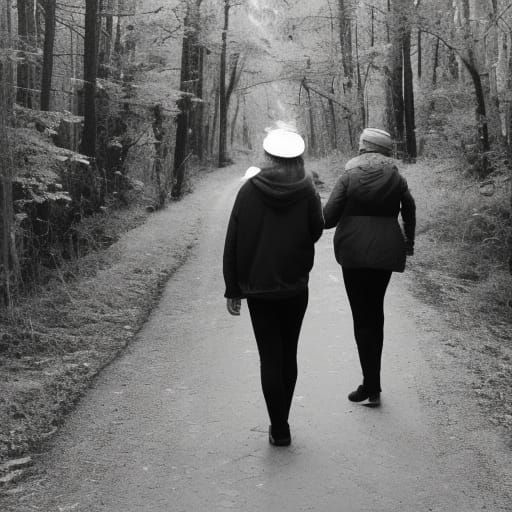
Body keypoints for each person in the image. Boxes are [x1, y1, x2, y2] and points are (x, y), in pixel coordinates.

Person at [223, 128, 324, 446]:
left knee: (270, 357)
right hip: (295, 285)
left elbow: (233, 239)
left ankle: (279, 428)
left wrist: (233, 288)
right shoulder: (307, 189)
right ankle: (283, 420)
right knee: (288, 353)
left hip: (259, 288)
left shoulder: (249, 189)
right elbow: (317, 230)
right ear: (298, 158)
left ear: (268, 156)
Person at [323, 128, 416, 407]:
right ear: (386, 152)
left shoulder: (349, 175)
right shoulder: (396, 177)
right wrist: (408, 242)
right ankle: (372, 386)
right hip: (386, 250)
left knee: (361, 317)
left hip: (353, 251)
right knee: (375, 313)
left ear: (364, 148)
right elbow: (409, 209)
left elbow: (328, 219)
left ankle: (371, 385)